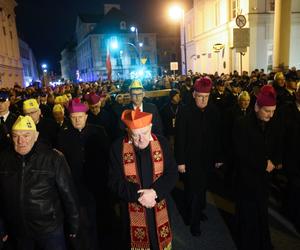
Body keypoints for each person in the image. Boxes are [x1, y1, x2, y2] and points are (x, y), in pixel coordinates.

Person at [0, 115, 79, 250]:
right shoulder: (3, 160)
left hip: (49, 231)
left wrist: (73, 225)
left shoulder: (53, 158)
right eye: (16, 136)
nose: (21, 141)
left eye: (26, 135)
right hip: (19, 231)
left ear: (36, 136)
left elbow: (68, 195)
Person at [109, 109, 178, 250]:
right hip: (132, 210)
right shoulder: (117, 148)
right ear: (128, 131)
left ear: (151, 127)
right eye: (136, 135)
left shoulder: (162, 143)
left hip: (158, 206)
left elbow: (172, 174)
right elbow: (113, 182)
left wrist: (155, 192)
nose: (142, 139)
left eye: (145, 133)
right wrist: (138, 195)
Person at [233, 85, 283, 250]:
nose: (271, 114)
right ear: (256, 107)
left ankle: (264, 243)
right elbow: (241, 153)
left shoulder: (273, 123)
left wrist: (274, 161)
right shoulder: (242, 124)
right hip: (246, 179)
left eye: (273, 111)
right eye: (267, 111)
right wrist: (263, 164)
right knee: (248, 216)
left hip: (263, 179)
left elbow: (278, 145)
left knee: (262, 212)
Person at [57, 99, 110, 250]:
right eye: (74, 117)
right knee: (83, 224)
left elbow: (107, 157)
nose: (77, 120)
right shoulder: (63, 136)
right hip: (76, 187)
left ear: (86, 117)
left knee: (101, 221)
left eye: (80, 117)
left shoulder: (98, 131)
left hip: (98, 185)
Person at [175, 77, 223, 237]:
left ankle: (197, 211)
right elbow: (180, 138)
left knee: (202, 189)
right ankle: (194, 222)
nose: (203, 100)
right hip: (190, 160)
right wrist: (180, 161)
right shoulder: (184, 111)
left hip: (207, 159)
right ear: (194, 94)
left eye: (206, 97)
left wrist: (218, 157)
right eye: (200, 96)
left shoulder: (214, 111)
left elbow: (218, 137)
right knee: (194, 191)